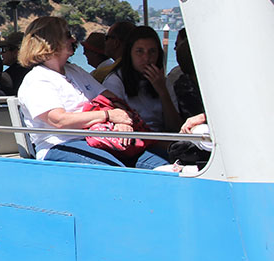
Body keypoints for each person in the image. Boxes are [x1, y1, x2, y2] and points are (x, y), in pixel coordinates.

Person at [16, 16, 172, 170]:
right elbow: (59, 120)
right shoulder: (37, 79)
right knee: (114, 170)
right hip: (61, 144)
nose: (73, 40)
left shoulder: (74, 71)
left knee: (161, 162)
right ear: (50, 41)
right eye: (67, 35)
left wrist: (121, 120)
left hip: (100, 137)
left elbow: (109, 97)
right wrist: (109, 116)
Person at [102, 26, 180, 133]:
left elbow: (175, 127)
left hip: (162, 137)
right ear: (129, 54)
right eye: (139, 51)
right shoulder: (116, 81)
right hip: (136, 139)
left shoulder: (164, 82)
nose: (146, 58)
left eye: (152, 52)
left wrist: (162, 92)